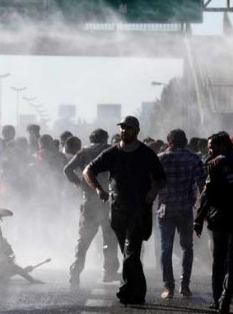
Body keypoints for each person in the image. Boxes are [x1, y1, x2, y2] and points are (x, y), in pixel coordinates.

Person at [84, 116, 166, 305]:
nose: (124, 131)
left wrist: (153, 191)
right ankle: (137, 292)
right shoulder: (112, 153)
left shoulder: (146, 154)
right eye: (122, 128)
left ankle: (127, 289)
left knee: (131, 252)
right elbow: (88, 171)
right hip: (118, 210)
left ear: (136, 131)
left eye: (128, 128)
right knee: (130, 254)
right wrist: (98, 189)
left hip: (139, 211)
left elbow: (161, 178)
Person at [194, 131, 233, 314]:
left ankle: (217, 298)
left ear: (223, 146)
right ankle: (225, 296)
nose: (209, 150)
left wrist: (198, 219)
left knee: (219, 261)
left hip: (220, 219)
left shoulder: (216, 164)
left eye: (211, 146)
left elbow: (208, 194)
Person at [64, 129, 119, 287]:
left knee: (84, 240)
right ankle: (108, 272)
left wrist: (78, 182)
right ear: (105, 138)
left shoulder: (83, 152)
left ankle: (75, 270)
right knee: (109, 238)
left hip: (88, 201)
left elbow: (67, 169)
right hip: (108, 201)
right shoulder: (112, 150)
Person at [156, 129, 206, 299]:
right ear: (185, 142)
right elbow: (202, 185)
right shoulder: (193, 158)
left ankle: (168, 287)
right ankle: (185, 285)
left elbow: (153, 184)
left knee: (166, 248)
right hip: (185, 209)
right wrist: (202, 207)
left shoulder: (160, 158)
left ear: (170, 142)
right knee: (187, 247)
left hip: (166, 210)